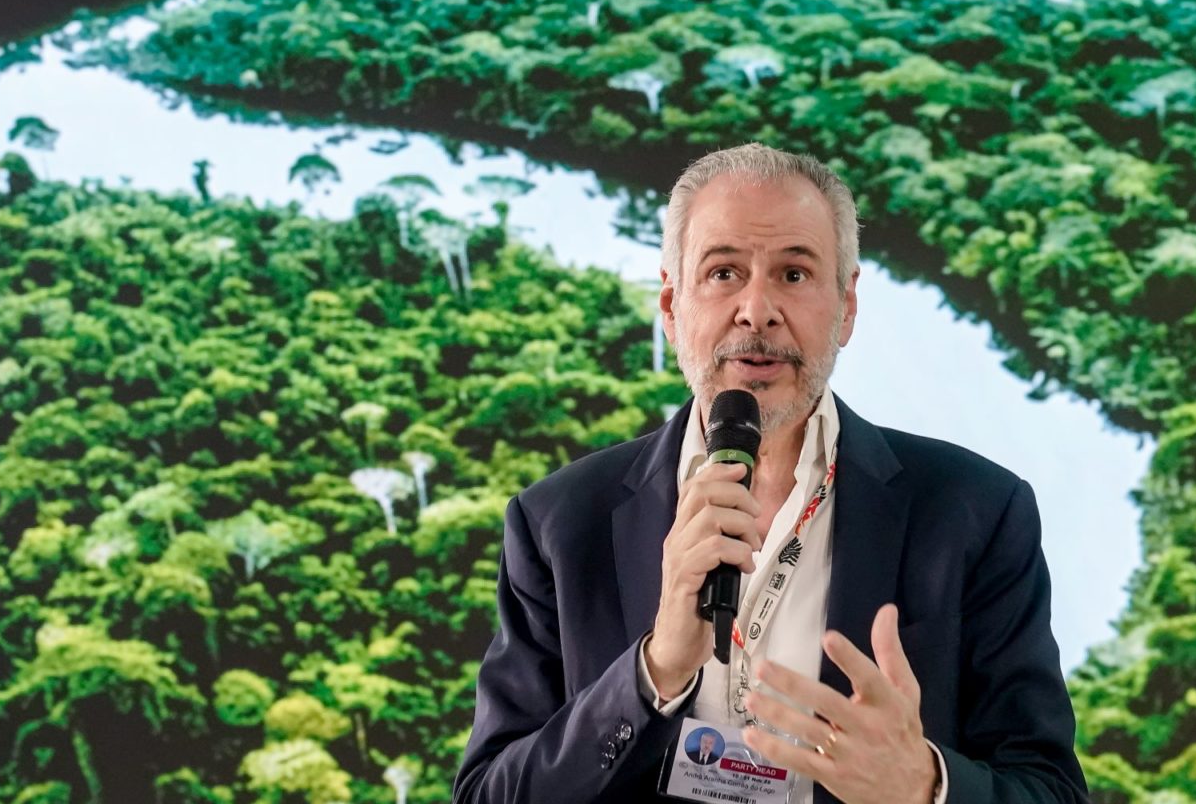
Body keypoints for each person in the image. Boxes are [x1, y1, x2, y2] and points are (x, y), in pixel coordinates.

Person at [453, 144, 1088, 804]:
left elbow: (1050, 790)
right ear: (671, 308)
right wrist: (653, 671)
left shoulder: (977, 512)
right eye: (724, 272)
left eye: (793, 274)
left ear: (847, 308)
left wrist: (925, 786)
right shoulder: (558, 522)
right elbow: (487, 794)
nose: (757, 310)